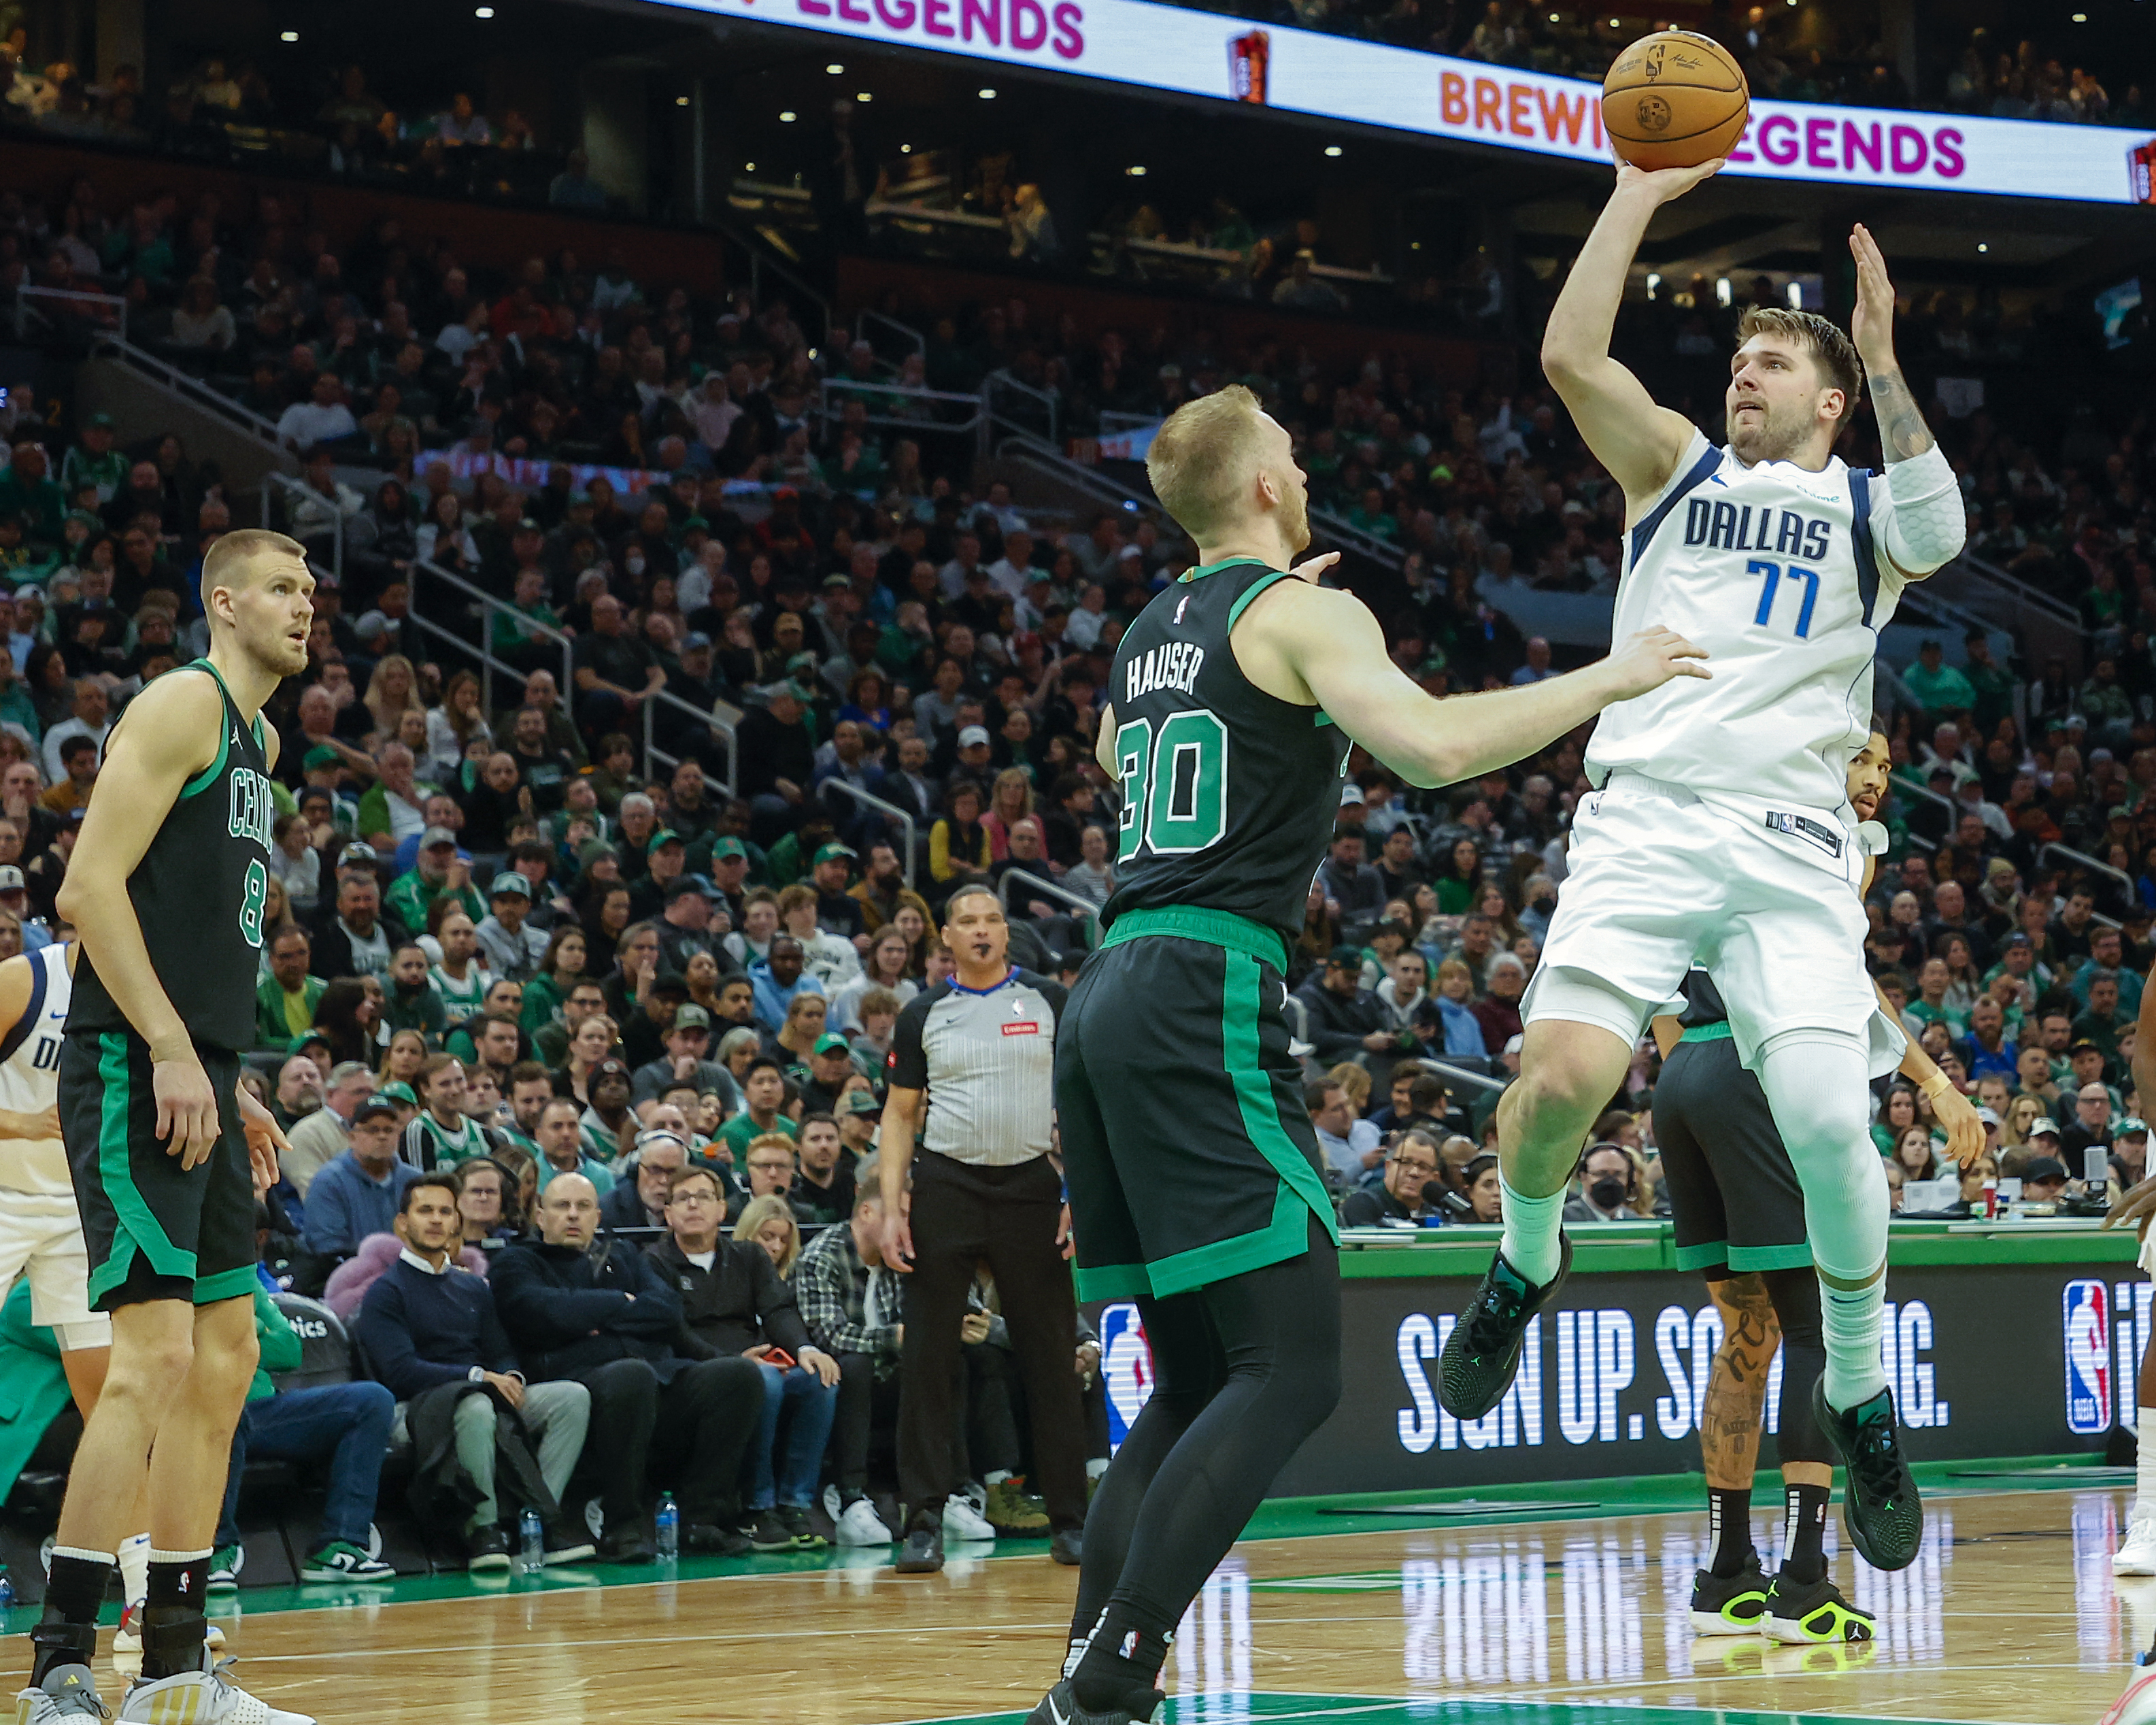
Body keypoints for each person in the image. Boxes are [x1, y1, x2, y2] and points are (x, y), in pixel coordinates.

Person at [1036, 384, 1698, 1725]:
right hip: (1195, 985)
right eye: (1289, 443)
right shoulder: (1304, 613)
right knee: (1293, 1363)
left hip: (1106, 980)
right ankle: (1108, 1682)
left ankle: (1092, 1673)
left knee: (1196, 1376)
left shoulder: (1152, 626)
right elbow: (1439, 746)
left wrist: (1284, 662)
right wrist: (1612, 677)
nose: (1300, 456)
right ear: (1269, 488)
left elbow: (1122, 753)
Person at [1441, 165, 1965, 1582]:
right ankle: (1531, 1250)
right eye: (1739, 354)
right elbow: (1564, 355)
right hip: (1649, 814)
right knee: (1549, 1080)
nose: (1746, 367)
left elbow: (1941, 532)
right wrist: (1631, 189)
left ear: (1831, 401)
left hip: (1793, 840)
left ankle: (1857, 1385)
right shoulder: (1676, 466)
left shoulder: (1868, 511)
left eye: (1777, 357)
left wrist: (1886, 346)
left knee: (1820, 1117)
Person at [34, 528, 316, 1725]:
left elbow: (198, 928)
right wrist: (162, 1046)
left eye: (313, 590)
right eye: (286, 588)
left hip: (199, 1070)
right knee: (146, 1362)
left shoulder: (262, 741)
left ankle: (177, 1668)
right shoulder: (183, 705)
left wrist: (225, 1073)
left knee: (229, 1357)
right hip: (127, 1064)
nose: (308, 606)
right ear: (224, 599)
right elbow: (87, 890)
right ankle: (59, 1667)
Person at [1653, 741, 1984, 1641]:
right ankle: (1802, 1583)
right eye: (1857, 756)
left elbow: (1652, 969)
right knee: (1815, 1329)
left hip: (1684, 1081)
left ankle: (1727, 1573)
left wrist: (1684, 1071)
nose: (1874, 776)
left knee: (1747, 1334)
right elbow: (1848, 990)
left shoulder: (1713, 813)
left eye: (1884, 763)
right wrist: (1942, 1087)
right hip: (1749, 1069)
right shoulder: (1825, 842)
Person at [880, 887, 1085, 1573]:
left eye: (990, 919)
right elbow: (900, 1115)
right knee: (928, 1359)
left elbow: (1082, 1102)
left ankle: (1070, 1518)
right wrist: (890, 1204)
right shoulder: (922, 1014)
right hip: (947, 1186)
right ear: (945, 937)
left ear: (1005, 932)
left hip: (1031, 1185)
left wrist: (1078, 1193)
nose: (979, 930)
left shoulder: (1050, 1002)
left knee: (1051, 1356)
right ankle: (923, 1520)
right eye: (966, 921)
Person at [491, 1171, 767, 1560]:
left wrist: (588, 1316)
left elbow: (668, 1309)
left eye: (583, 1206)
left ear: (597, 1217)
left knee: (737, 1375)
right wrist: (622, 1303)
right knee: (630, 1376)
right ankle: (621, 1526)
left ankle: (702, 1520)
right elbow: (544, 1312)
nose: (573, 1215)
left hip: (655, 1375)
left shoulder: (621, 1254)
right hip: (575, 1380)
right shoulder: (516, 1261)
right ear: (540, 1216)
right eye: (562, 1206)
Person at [354, 1175, 594, 1567]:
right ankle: (484, 1531)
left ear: (456, 1223)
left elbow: (501, 1352)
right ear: (402, 1223)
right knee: (477, 1408)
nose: (435, 1220)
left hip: (480, 1391)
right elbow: (400, 1372)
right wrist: (478, 1377)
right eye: (425, 1210)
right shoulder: (385, 1292)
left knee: (572, 1397)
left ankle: (536, 1521)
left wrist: (511, 1377)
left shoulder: (474, 1288)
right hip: (413, 1408)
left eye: (445, 1212)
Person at [647, 1163, 839, 1550]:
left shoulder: (749, 1256)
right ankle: (757, 1506)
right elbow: (673, 1330)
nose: (693, 1206)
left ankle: (795, 1503)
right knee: (760, 1379)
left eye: (703, 1197)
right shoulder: (654, 1262)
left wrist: (806, 1350)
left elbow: (778, 1310)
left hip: (758, 1360)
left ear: (722, 1210)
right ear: (667, 1214)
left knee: (820, 1379)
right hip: (695, 1372)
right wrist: (733, 1361)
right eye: (682, 1199)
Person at [301, 1092, 420, 1261]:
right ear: (352, 1137)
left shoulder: (414, 1181)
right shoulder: (329, 1182)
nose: (382, 1136)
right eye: (372, 1130)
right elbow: (328, 1248)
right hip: (352, 1276)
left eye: (389, 1130)